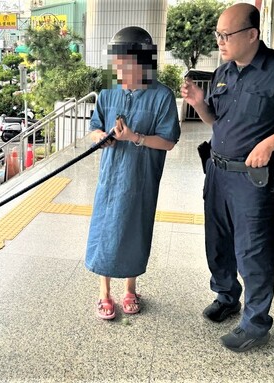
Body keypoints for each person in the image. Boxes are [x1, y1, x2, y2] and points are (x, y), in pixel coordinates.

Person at [181, 3, 274, 352]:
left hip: (254, 178)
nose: (220, 41)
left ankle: (256, 322)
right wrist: (201, 103)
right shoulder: (224, 72)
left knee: (254, 250)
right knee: (217, 242)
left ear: (252, 34)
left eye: (226, 35)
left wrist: (271, 142)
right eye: (218, 35)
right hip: (217, 173)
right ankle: (226, 296)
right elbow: (214, 121)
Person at [85, 26, 181, 320]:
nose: (120, 68)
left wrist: (134, 137)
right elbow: (93, 129)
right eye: (117, 62)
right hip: (110, 180)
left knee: (134, 231)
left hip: (140, 180)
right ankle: (104, 293)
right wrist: (103, 137)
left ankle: (130, 289)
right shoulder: (107, 92)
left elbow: (168, 141)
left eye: (126, 62)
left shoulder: (162, 96)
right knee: (104, 231)